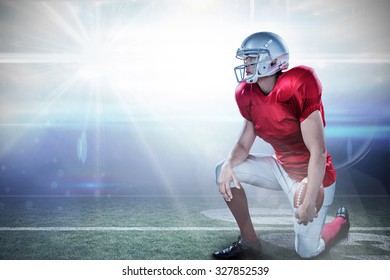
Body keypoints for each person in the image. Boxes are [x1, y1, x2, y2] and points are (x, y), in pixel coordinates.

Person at [213, 32, 350, 259]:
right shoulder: (246, 93)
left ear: (274, 61)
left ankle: (340, 223)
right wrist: (229, 162)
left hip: (313, 178)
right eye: (245, 59)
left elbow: (318, 151)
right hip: (281, 167)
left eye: (251, 58)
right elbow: (244, 143)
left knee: (307, 251)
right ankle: (249, 241)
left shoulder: (299, 83)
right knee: (223, 170)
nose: (246, 64)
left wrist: (308, 201)